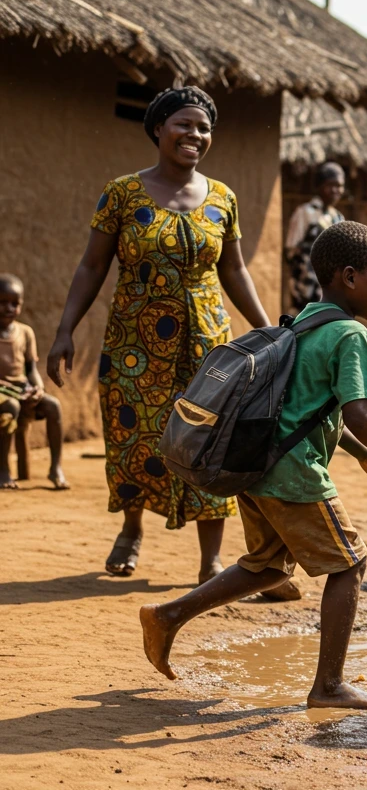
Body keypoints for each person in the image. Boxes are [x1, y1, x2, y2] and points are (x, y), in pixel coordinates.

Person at [139, 221, 367, 709]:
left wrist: (364, 458)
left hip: (259, 467)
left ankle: (168, 615)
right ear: (348, 277)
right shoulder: (349, 333)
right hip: (294, 474)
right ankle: (328, 687)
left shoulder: (305, 322)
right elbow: (357, 412)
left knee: (267, 568)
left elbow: (308, 409)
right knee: (350, 565)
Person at [47, 87, 278, 587]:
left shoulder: (223, 198)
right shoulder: (123, 193)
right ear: (158, 129)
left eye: (203, 128)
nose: (194, 135)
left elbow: (235, 270)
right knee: (136, 436)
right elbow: (91, 266)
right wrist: (65, 329)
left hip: (209, 344)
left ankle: (211, 558)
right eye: (183, 124)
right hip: (134, 343)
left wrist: (265, 331)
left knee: (214, 438)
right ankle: (131, 530)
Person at [0, 275, 66, 489]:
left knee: (53, 406)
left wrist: (37, 388)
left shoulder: (25, 332)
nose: (9, 308)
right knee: (10, 407)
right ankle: (3, 470)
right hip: (3, 394)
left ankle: (55, 468)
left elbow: (31, 369)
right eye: (2, 302)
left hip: (21, 390)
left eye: (15, 303)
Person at [285, 162, 346, 315]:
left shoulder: (338, 218)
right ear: (319, 186)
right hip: (305, 288)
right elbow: (290, 250)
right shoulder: (305, 213)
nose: (335, 190)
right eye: (330, 185)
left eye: (339, 186)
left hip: (330, 291)